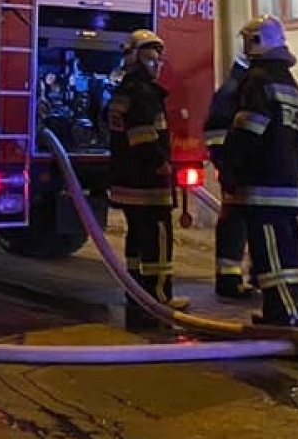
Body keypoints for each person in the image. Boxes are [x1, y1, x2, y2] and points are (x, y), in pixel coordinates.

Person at [222, 16, 298, 328]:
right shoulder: (292, 85)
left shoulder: (258, 80)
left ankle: (287, 315)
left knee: (271, 259)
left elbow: (247, 132)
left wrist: (228, 167)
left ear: (255, 42)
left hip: (261, 189)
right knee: (286, 256)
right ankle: (283, 313)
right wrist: (291, 173)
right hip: (286, 189)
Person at [107, 28, 188, 330]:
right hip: (147, 183)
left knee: (136, 237)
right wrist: (161, 164)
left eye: (158, 59)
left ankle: (136, 291)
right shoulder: (143, 93)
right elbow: (142, 135)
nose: (156, 65)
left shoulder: (122, 92)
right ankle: (158, 296)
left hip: (127, 181)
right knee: (158, 237)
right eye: (151, 58)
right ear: (137, 59)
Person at [203, 43, 255, 300]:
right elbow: (214, 132)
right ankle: (228, 279)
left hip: (246, 172)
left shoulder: (246, 89)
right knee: (235, 222)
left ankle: (252, 276)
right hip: (237, 173)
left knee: (250, 222)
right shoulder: (233, 92)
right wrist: (227, 166)